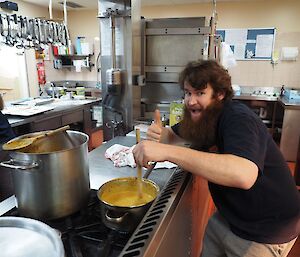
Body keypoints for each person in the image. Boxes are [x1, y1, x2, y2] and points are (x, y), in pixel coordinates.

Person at [133, 60, 300, 257]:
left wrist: (168, 152)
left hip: (266, 227)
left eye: (200, 93)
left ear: (219, 94)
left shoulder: (237, 117)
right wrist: (159, 134)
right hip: (230, 216)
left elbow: (243, 174)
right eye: (188, 93)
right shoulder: (202, 118)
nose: (191, 101)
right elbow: (173, 135)